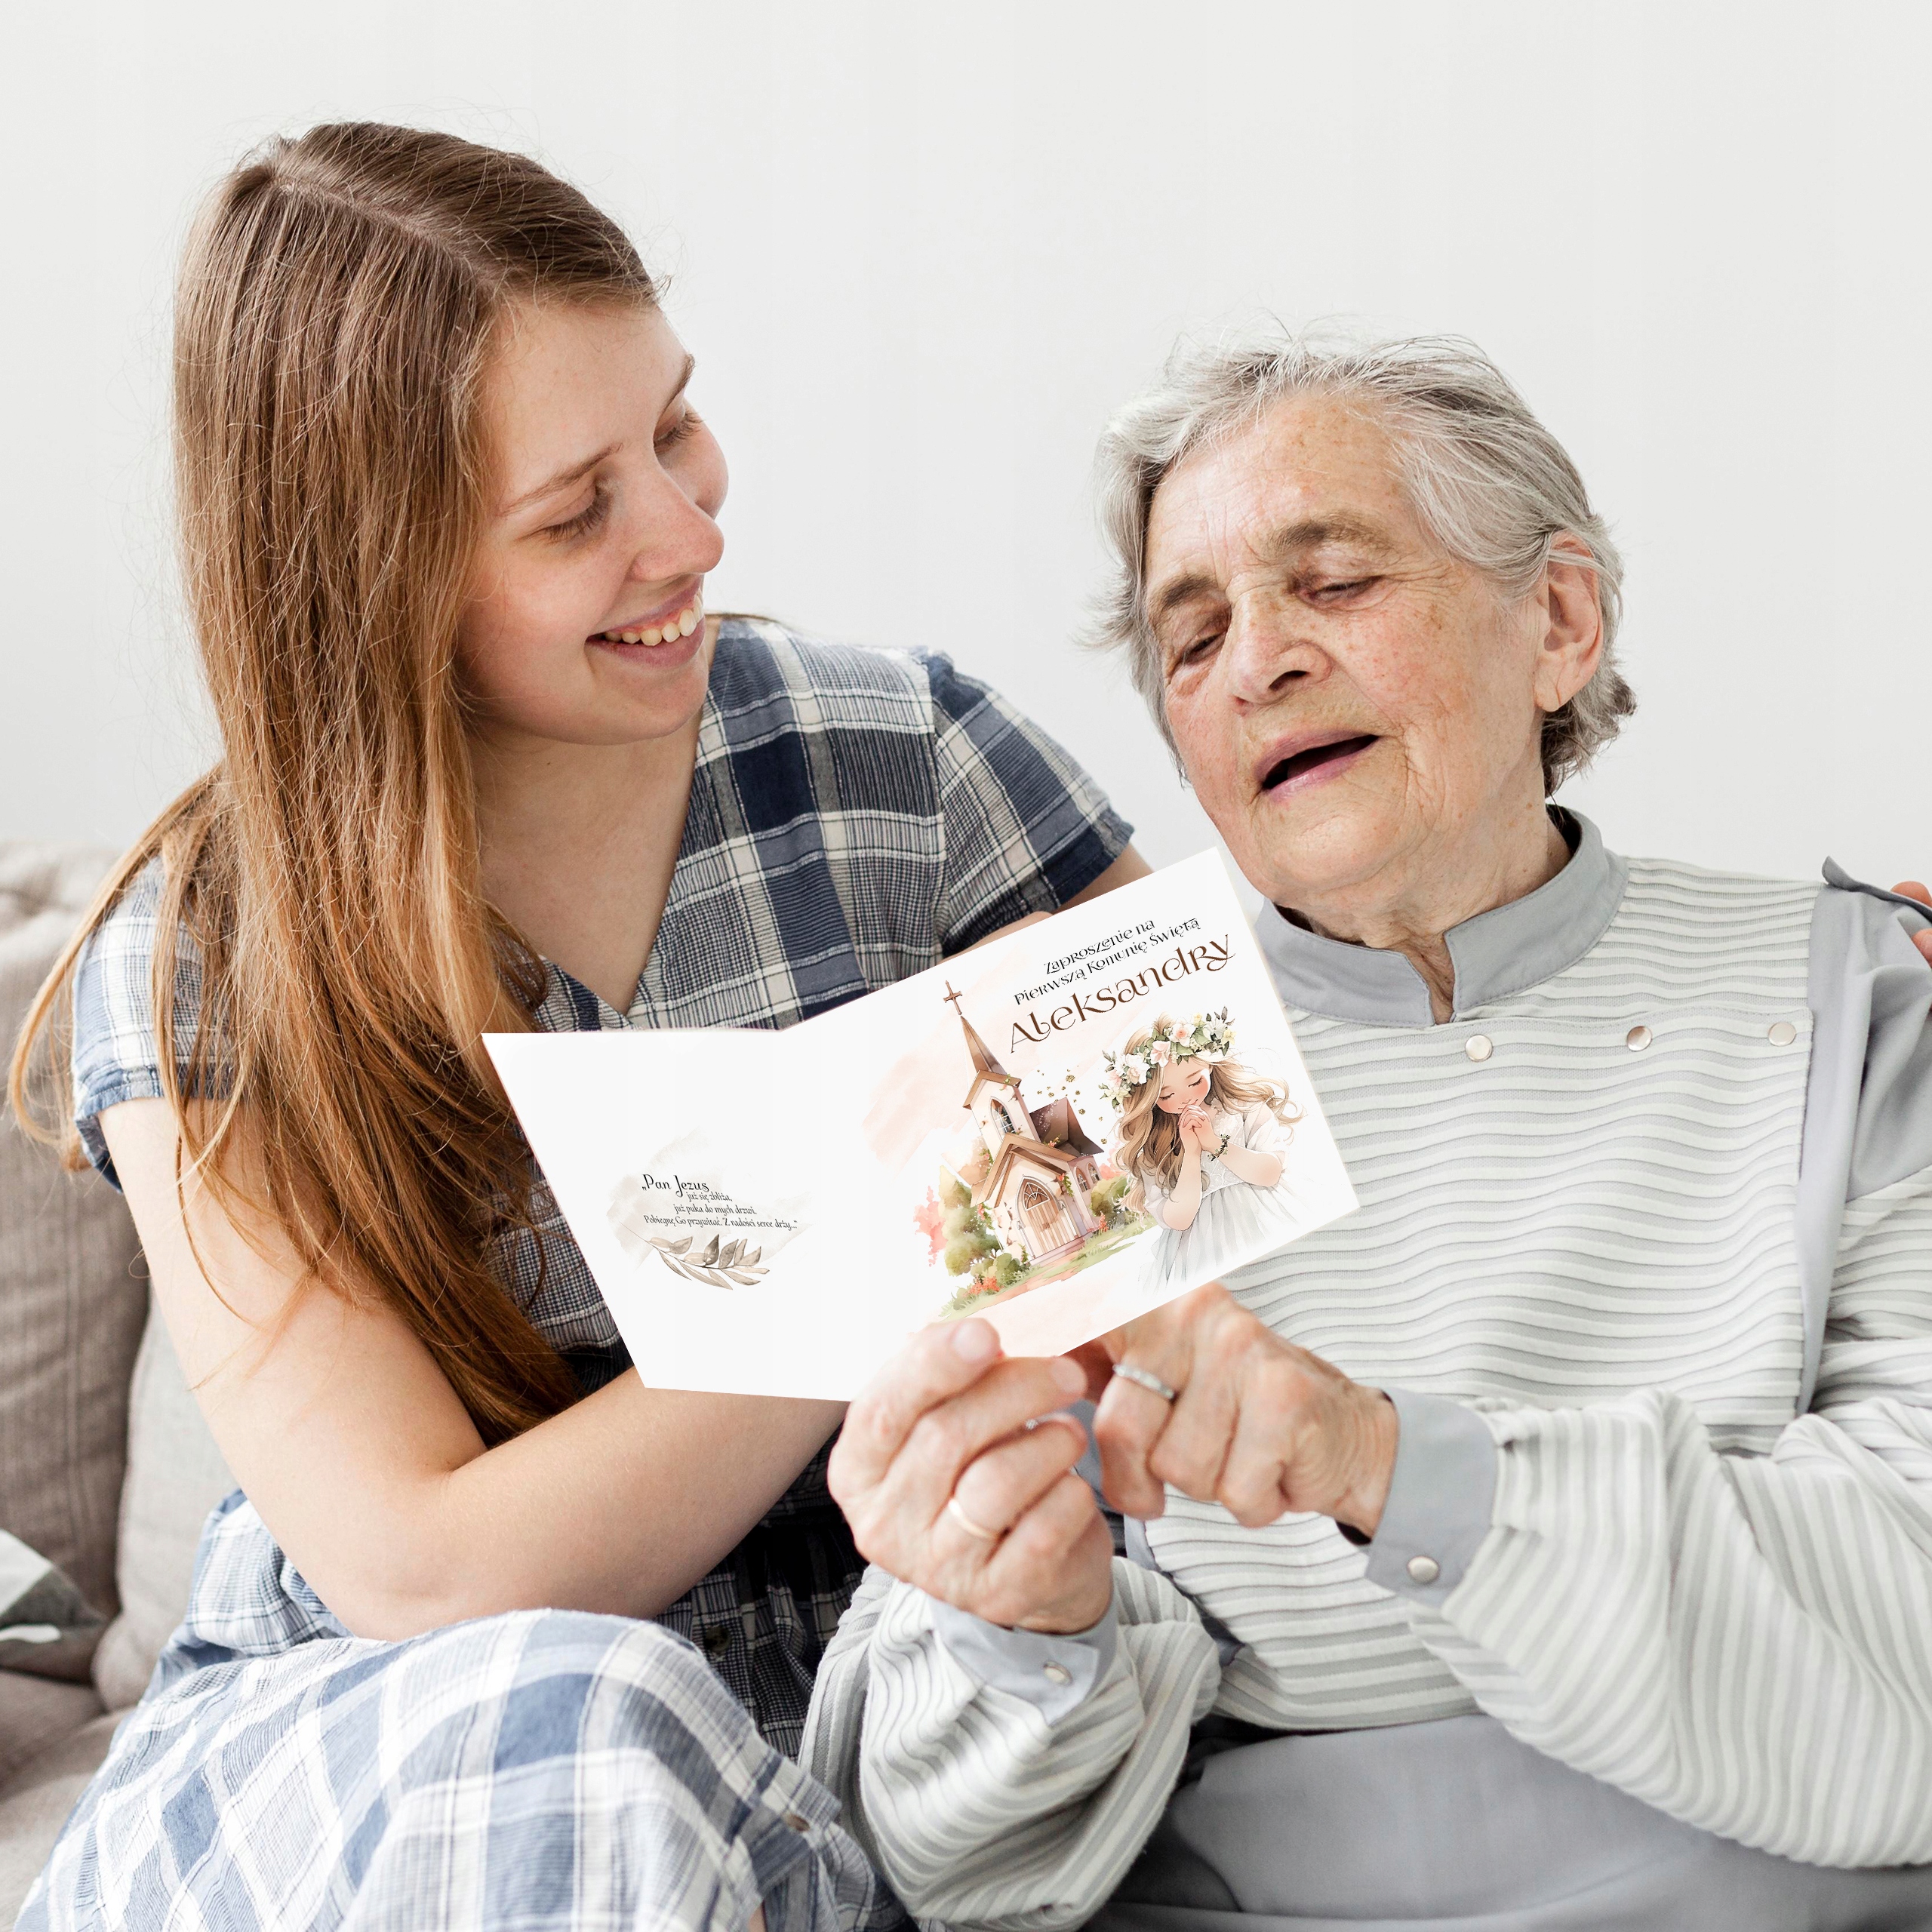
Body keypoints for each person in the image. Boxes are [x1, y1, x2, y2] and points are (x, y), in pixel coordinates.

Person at [5, 122, 1146, 1931]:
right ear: (374, 574)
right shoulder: (207, 957)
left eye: (673, 428)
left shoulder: (905, 764)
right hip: (418, 1747)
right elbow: (430, 1568)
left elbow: (1192, 1197)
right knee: (593, 1713)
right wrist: (914, 1211)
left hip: (906, 1677)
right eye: (573, 510)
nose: (692, 531)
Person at [811, 334, 1932, 1930]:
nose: (1251, 661)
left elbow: (1909, 1640)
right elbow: (949, 1866)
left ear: (1555, 620)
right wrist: (1019, 1625)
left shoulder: (1850, 993)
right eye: (1187, 638)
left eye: (1328, 583)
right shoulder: (1063, 1087)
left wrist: (1379, 1460)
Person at [1103, 1011, 1301, 1294]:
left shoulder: (1239, 1105)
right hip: (1201, 1244)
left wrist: (1214, 1143)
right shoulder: (1153, 1145)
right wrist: (1192, 1153)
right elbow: (1179, 1219)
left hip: (1266, 1212)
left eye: (1194, 1081)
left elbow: (1270, 1173)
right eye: (1167, 1096)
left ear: (1210, 1065)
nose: (1184, 1098)